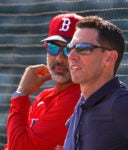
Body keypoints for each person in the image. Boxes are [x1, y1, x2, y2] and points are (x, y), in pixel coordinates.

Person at [64, 16, 128, 150]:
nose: (71, 56)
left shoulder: (123, 104)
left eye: (83, 48)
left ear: (110, 58)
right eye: (70, 48)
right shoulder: (84, 101)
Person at [4, 13, 83, 150]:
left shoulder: (75, 98)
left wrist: (21, 94)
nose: (59, 58)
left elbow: (18, 147)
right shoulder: (44, 96)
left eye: (68, 50)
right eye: (52, 47)